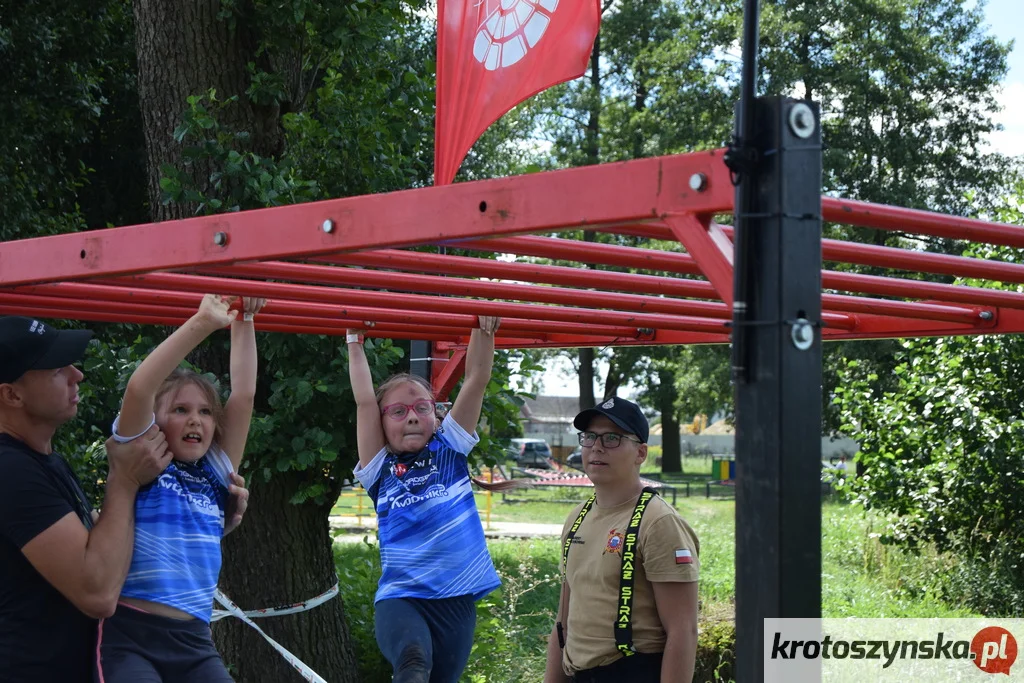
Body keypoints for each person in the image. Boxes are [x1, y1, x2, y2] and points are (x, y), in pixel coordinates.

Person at [0, 315, 248, 683]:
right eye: (56, 369)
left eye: (204, 411)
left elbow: (106, 544)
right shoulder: (11, 471)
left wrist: (203, 522)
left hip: (177, 641)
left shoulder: (46, 464)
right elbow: (98, 591)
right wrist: (125, 480)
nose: (77, 375)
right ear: (12, 394)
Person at [94, 294, 264, 682]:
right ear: (155, 421)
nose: (196, 421)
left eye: (205, 412)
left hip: (194, 639)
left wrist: (245, 318)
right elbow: (140, 388)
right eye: (180, 410)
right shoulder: (145, 459)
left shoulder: (216, 470)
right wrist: (203, 323)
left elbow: (244, 395)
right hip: (130, 633)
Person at [348, 316, 513, 683]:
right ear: (382, 422)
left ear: (435, 416)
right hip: (402, 596)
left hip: (457, 598)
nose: (411, 417)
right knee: (412, 662)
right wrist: (354, 341)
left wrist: (483, 329)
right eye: (398, 411)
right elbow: (363, 402)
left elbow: (476, 379)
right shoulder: (380, 469)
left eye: (422, 408)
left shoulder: (450, 450)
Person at [543, 397, 700, 683]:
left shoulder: (658, 522)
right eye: (589, 437)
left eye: (612, 438)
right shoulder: (577, 517)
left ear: (641, 453)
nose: (597, 447)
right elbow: (563, 620)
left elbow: (683, 629)